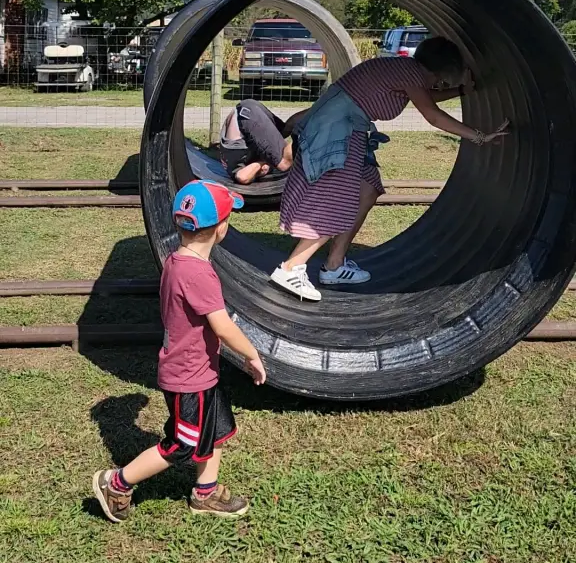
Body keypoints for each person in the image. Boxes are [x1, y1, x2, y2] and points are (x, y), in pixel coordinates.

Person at [269, 37, 509, 302]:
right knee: (337, 202)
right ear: (439, 71)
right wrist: (479, 136)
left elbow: (428, 96)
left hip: (346, 128)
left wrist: (462, 92)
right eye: (440, 81)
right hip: (334, 132)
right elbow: (433, 114)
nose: (438, 87)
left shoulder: (406, 71)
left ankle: (335, 265)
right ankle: (290, 269)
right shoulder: (410, 73)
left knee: (367, 189)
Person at [92, 180, 266, 522]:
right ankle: (117, 482)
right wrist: (252, 354)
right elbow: (223, 327)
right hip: (189, 378)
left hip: (200, 370)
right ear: (221, 228)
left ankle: (206, 492)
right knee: (180, 444)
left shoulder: (175, 260)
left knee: (215, 430)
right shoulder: (199, 274)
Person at [219, 98, 308, 185]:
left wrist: (264, 163)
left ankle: (314, 124)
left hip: (246, 116)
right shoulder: (245, 157)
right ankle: (316, 109)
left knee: (283, 163)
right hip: (247, 106)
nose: (264, 170)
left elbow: (242, 177)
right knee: (283, 130)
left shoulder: (237, 168)